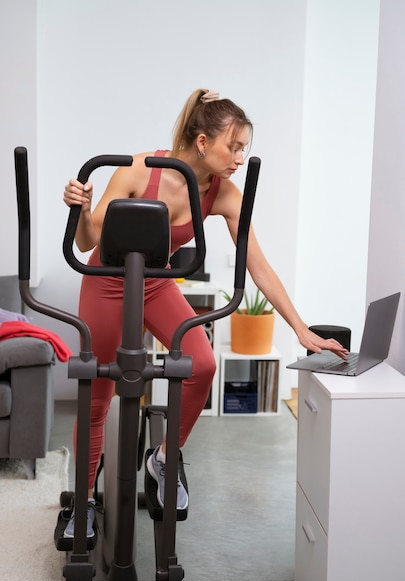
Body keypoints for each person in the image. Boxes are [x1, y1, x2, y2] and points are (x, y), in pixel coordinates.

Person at [62, 88, 348, 537]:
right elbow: (85, 242)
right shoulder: (140, 168)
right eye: (232, 146)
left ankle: (162, 460)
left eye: (242, 149)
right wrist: (80, 208)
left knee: (203, 363)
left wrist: (301, 328)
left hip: (155, 284)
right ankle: (82, 505)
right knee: (96, 395)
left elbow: (258, 264)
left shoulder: (222, 193)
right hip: (107, 282)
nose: (238, 157)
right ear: (201, 142)